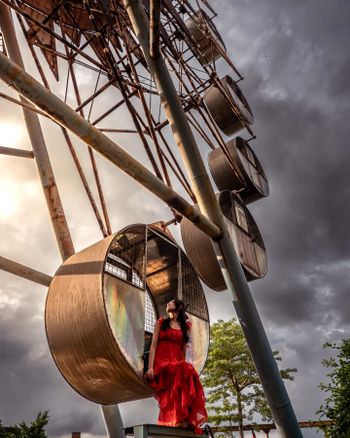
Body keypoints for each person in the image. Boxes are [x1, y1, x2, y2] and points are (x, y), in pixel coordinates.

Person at [144, 298, 208, 434]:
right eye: (167, 303)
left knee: (184, 375)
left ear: (179, 308)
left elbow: (183, 351)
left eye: (171, 302)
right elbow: (153, 346)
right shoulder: (161, 323)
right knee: (186, 368)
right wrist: (150, 368)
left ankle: (183, 418)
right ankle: (181, 419)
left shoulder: (186, 327)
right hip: (162, 363)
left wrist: (183, 370)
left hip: (177, 363)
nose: (168, 304)